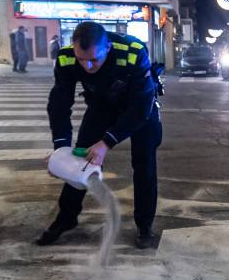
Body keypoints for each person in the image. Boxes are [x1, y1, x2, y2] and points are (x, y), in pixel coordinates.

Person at [40, 21, 161, 249]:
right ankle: (67, 218)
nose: (87, 66)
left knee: (145, 165)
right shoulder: (66, 57)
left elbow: (141, 107)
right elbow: (59, 103)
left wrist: (107, 142)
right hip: (101, 107)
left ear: (108, 47)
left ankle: (144, 227)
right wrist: (61, 148)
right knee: (78, 161)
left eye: (94, 60)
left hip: (139, 109)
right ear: (73, 48)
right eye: (81, 59)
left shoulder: (133, 52)